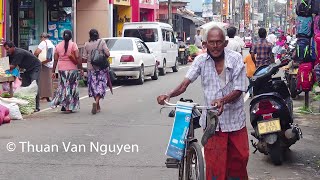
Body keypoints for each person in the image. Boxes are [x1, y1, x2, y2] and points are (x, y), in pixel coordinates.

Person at [157, 25, 249, 180]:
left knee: (239, 162)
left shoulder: (235, 59)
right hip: (213, 125)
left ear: (225, 43)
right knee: (214, 166)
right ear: (205, 44)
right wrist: (168, 94)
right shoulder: (200, 60)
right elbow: (185, 83)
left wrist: (223, 100)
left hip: (235, 121)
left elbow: (240, 89)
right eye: (211, 42)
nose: (215, 46)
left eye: (219, 42)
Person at [51, 30, 83, 113]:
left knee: (64, 87)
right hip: (72, 69)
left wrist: (53, 71)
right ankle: (69, 106)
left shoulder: (58, 46)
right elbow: (77, 56)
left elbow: (55, 60)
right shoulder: (73, 45)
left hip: (62, 69)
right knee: (71, 87)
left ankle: (64, 104)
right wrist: (81, 68)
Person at [4, 41, 41, 112]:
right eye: (6, 49)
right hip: (26, 69)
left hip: (35, 67)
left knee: (34, 84)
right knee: (25, 85)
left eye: (8, 49)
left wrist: (3, 67)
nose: (7, 50)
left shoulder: (18, 53)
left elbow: (12, 66)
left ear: (13, 47)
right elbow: (6, 63)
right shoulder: (10, 54)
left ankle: (36, 106)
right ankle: (26, 105)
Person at [82, 29, 111, 114]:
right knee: (100, 86)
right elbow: (108, 53)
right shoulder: (102, 42)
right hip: (101, 68)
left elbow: (84, 57)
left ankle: (97, 105)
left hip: (91, 68)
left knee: (93, 87)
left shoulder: (86, 44)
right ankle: (97, 102)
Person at [34, 32, 55, 102]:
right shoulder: (51, 44)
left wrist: (34, 55)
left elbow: (37, 52)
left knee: (43, 81)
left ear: (43, 37)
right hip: (50, 64)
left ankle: (43, 97)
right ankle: (48, 96)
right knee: (48, 81)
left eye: (41, 37)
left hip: (44, 64)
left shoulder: (43, 43)